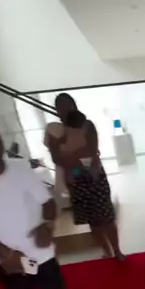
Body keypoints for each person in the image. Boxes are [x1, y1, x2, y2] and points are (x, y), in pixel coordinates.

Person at [0, 116, 98, 289]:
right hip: (7, 262)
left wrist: (47, 225)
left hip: (40, 253)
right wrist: (5, 255)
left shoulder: (20, 168)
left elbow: (47, 202)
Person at [46, 93, 124, 261]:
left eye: (67, 105)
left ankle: (117, 251)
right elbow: (57, 159)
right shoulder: (54, 131)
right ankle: (106, 251)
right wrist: (77, 157)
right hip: (75, 179)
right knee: (92, 220)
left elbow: (91, 150)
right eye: (60, 106)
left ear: (74, 106)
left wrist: (69, 157)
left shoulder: (87, 125)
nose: (64, 109)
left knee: (106, 217)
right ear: (56, 110)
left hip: (95, 176)